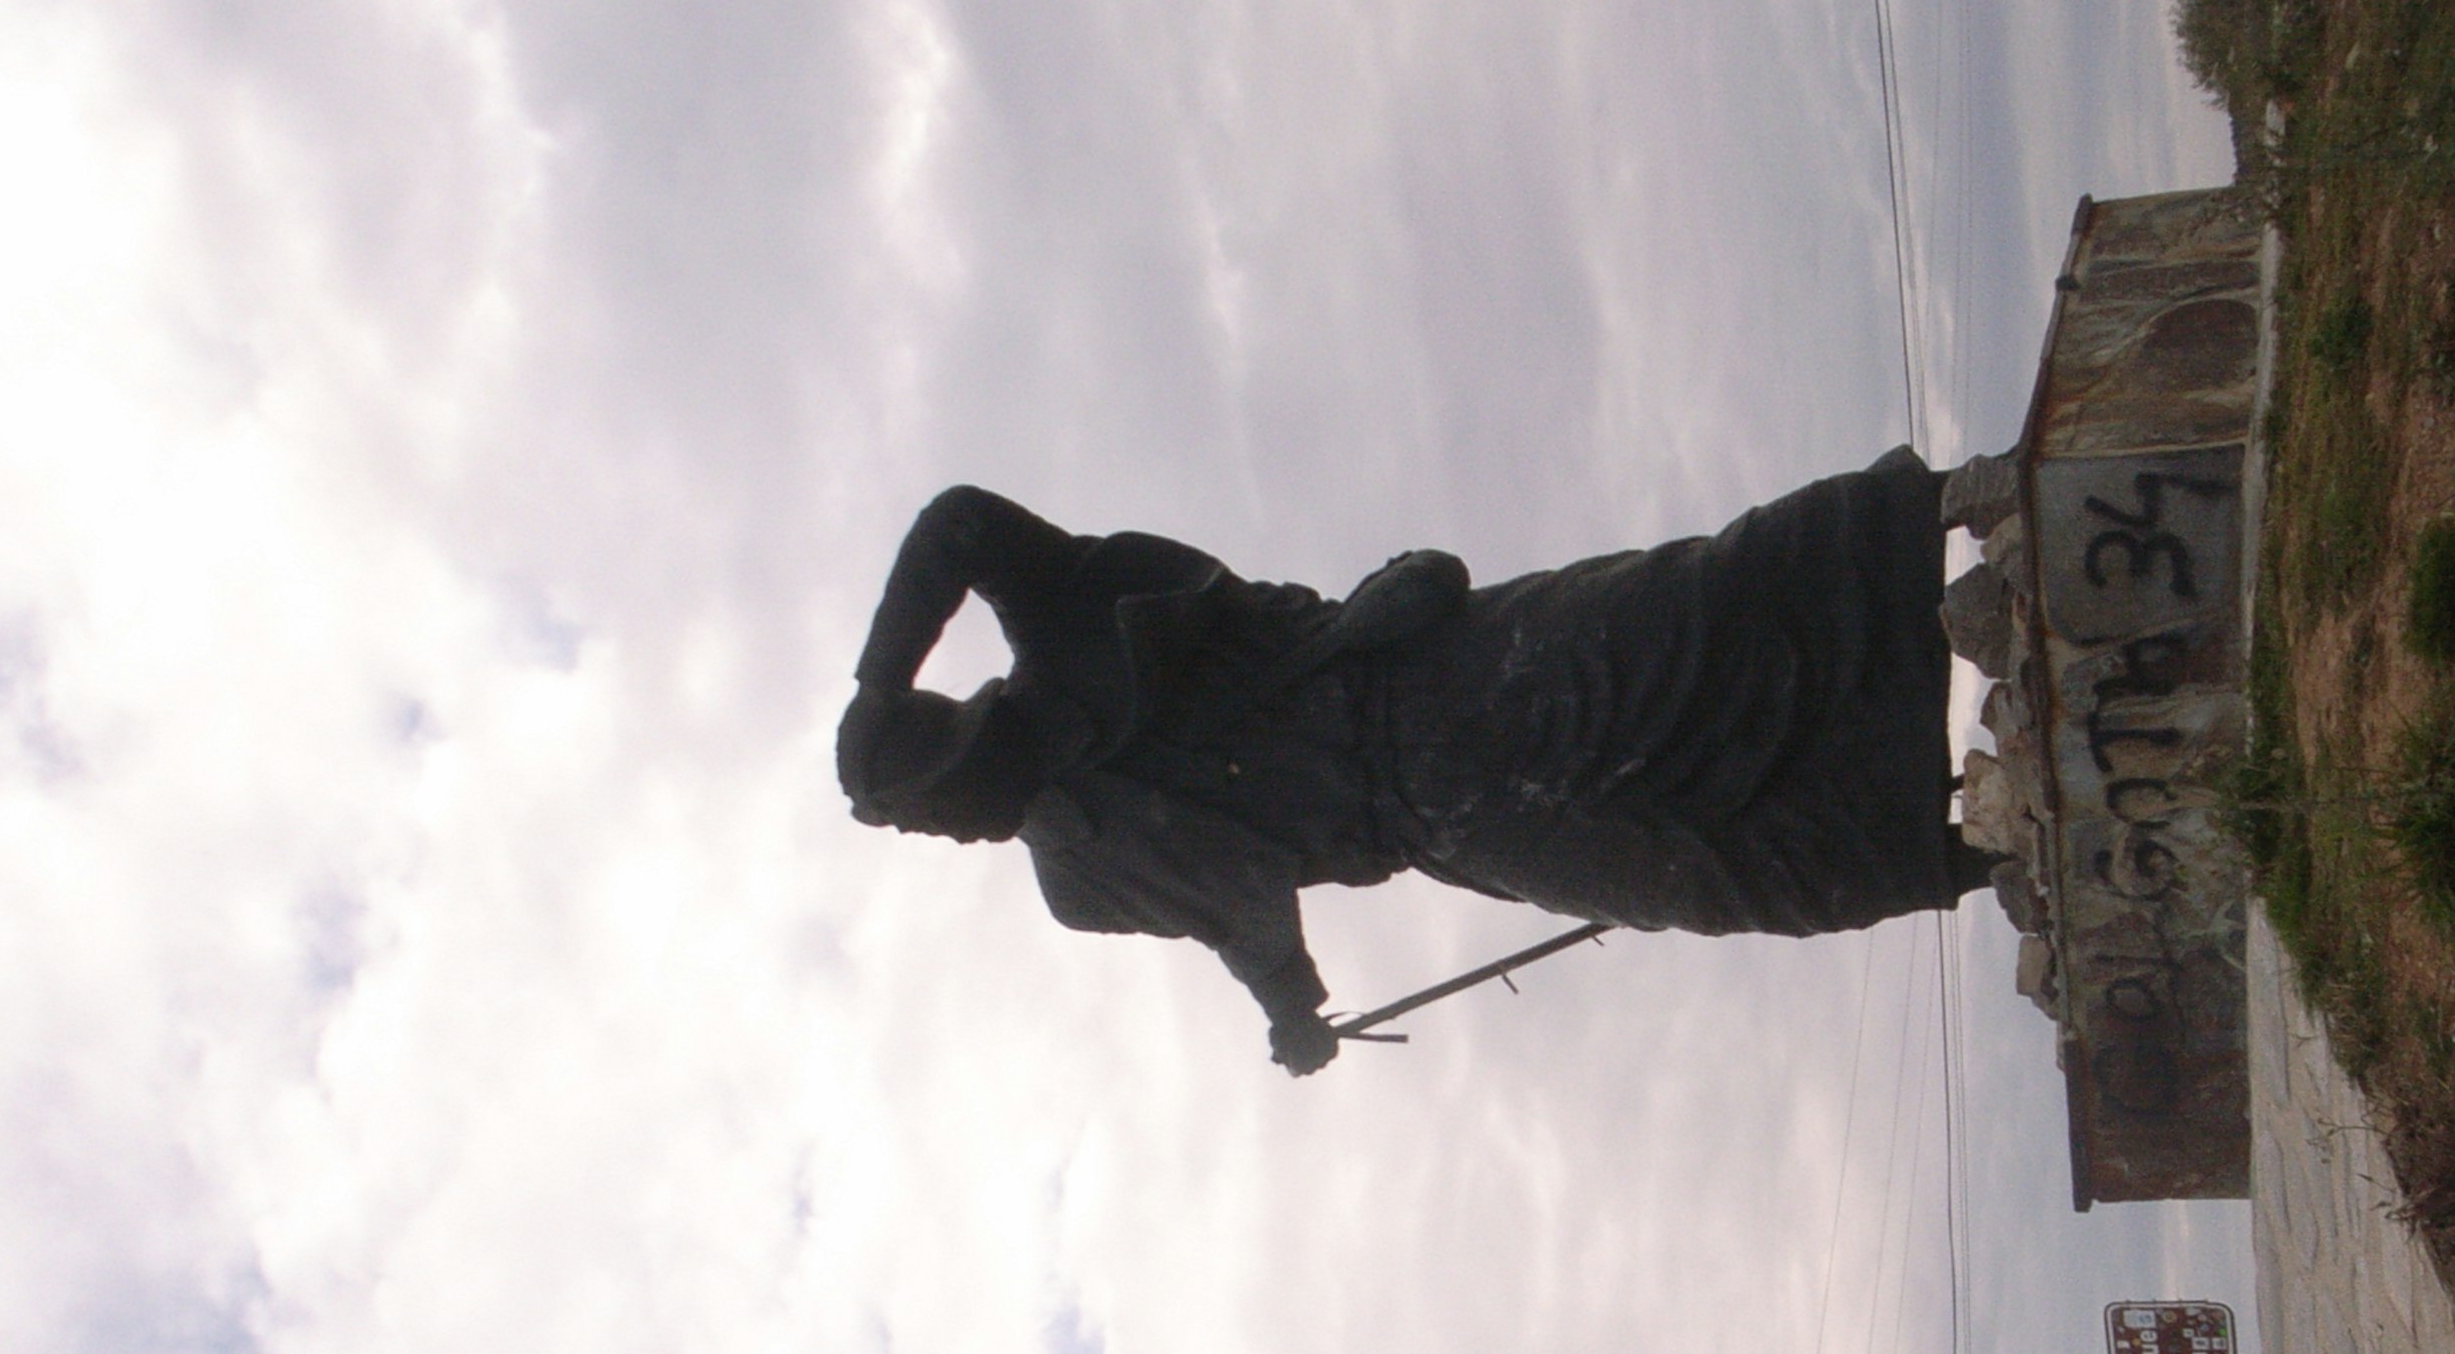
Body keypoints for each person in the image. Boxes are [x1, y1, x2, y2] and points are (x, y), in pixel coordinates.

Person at [835, 453, 1989, 1072]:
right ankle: (1963, 847)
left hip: (1423, 674)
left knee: (1697, 610)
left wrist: (875, 682)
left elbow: (960, 521)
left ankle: (1950, 514)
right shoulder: (1078, 881)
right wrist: (1290, 1009)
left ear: (956, 738)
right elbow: (1232, 911)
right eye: (928, 836)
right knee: (1690, 877)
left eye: (930, 812)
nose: (950, 835)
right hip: (1433, 824)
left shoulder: (1061, 628)